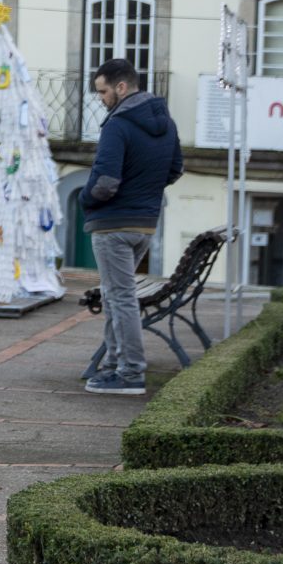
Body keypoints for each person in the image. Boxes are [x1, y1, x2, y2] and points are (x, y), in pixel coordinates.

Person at [82, 58, 183, 395]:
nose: (101, 98)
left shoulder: (117, 124)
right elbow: (175, 170)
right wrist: (143, 193)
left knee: (120, 298)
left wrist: (85, 199)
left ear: (121, 87)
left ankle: (130, 373)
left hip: (113, 225)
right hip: (145, 225)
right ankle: (113, 364)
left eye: (103, 91)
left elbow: (105, 183)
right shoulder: (166, 123)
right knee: (115, 296)